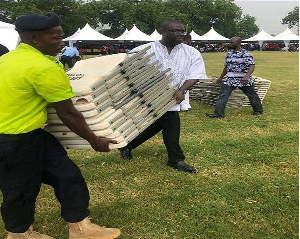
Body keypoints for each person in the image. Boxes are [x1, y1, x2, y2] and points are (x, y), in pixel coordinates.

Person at [0, 12, 121, 239]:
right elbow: (68, 114)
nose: (62, 43)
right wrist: (95, 140)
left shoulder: (7, 60)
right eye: (56, 38)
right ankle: (18, 235)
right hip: (11, 141)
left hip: (34, 135)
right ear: (33, 39)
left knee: (67, 176)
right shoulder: (42, 68)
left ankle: (80, 228)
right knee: (20, 191)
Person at [118, 20, 207, 173]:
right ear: (163, 32)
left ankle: (126, 146)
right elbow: (125, 67)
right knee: (172, 124)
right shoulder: (145, 50)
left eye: (182, 31)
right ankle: (176, 160)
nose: (180, 34)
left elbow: (195, 74)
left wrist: (182, 90)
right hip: (152, 97)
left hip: (175, 96)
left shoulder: (191, 52)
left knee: (158, 125)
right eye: (175, 31)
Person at [206, 36, 263, 118]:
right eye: (230, 42)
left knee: (252, 95)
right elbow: (226, 67)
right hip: (230, 79)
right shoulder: (229, 54)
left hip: (243, 79)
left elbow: (252, 66)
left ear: (239, 43)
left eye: (232, 42)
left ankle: (258, 110)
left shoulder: (245, 54)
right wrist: (220, 78)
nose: (230, 44)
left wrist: (247, 76)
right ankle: (218, 113)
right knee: (223, 95)